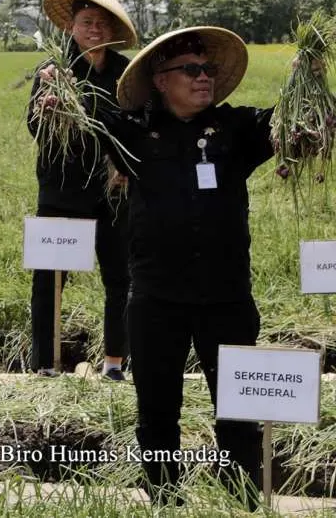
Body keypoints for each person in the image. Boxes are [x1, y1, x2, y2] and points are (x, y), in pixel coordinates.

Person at [103, 26, 268, 507]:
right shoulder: (132, 133)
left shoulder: (237, 128)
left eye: (208, 69)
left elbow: (293, 123)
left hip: (227, 296)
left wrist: (313, 80)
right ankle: (163, 500)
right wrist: (59, 81)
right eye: (191, 70)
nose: (203, 78)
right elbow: (75, 115)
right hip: (157, 298)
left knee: (239, 410)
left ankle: (241, 503)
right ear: (161, 79)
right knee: (156, 411)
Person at [26, 0, 137, 379]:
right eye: (87, 22)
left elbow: (137, 126)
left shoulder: (125, 72)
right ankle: (45, 364)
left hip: (114, 193)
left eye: (102, 23)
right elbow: (37, 127)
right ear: (72, 27)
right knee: (49, 280)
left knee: (120, 277)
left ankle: (114, 364)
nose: (95, 29)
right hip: (62, 192)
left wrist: (122, 163)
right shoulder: (55, 70)